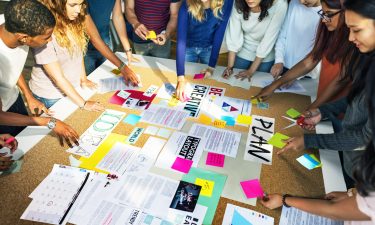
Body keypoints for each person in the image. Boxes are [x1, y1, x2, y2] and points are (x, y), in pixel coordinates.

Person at [261, 2, 375, 221]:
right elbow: (355, 101)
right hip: (355, 174)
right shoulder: (366, 59)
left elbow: (361, 137)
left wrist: (310, 140)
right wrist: (322, 111)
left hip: (360, 170)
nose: (351, 38)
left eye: (357, 29)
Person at [0, 0, 79, 147]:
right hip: (3, 117)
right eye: (46, 37)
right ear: (24, 38)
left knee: (24, 142)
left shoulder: (11, 23)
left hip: (12, 98)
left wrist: (28, 95)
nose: (49, 41)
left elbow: (11, 67)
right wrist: (50, 122)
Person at [254, 0, 355, 110]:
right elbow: (311, 60)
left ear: (346, 12)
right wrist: (274, 85)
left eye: (329, 14)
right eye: (323, 13)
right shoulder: (328, 29)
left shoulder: (354, 39)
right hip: (323, 94)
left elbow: (341, 79)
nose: (323, 19)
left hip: (341, 104)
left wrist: (314, 107)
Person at [29, 0, 105, 111]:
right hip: (50, 95)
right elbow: (57, 78)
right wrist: (83, 104)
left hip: (72, 88)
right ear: (57, 4)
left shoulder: (73, 19)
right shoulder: (42, 31)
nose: (78, 10)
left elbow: (77, 52)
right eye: (73, 5)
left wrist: (83, 78)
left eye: (81, 4)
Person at [175, 0, 233, 100]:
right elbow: (181, 39)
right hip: (187, 48)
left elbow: (219, 33)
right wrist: (180, 78)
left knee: (208, 83)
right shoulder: (187, 3)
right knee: (188, 82)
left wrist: (211, 66)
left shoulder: (227, 2)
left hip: (209, 49)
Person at [221, 0, 288, 81]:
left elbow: (269, 39)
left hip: (266, 55)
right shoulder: (238, 2)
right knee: (235, 81)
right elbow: (234, 36)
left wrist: (251, 71)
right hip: (243, 51)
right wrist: (229, 68)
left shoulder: (280, 4)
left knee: (256, 85)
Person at [84, 0, 140, 77]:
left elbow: (118, 16)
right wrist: (122, 67)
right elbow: (95, 39)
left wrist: (128, 50)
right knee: (90, 81)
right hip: (84, 48)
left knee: (108, 77)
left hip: (106, 41)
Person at [270, 0, 321, 78]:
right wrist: (279, 60)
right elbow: (282, 35)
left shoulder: (325, 14)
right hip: (283, 67)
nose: (301, 2)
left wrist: (297, 75)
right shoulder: (294, 3)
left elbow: (319, 51)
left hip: (307, 74)